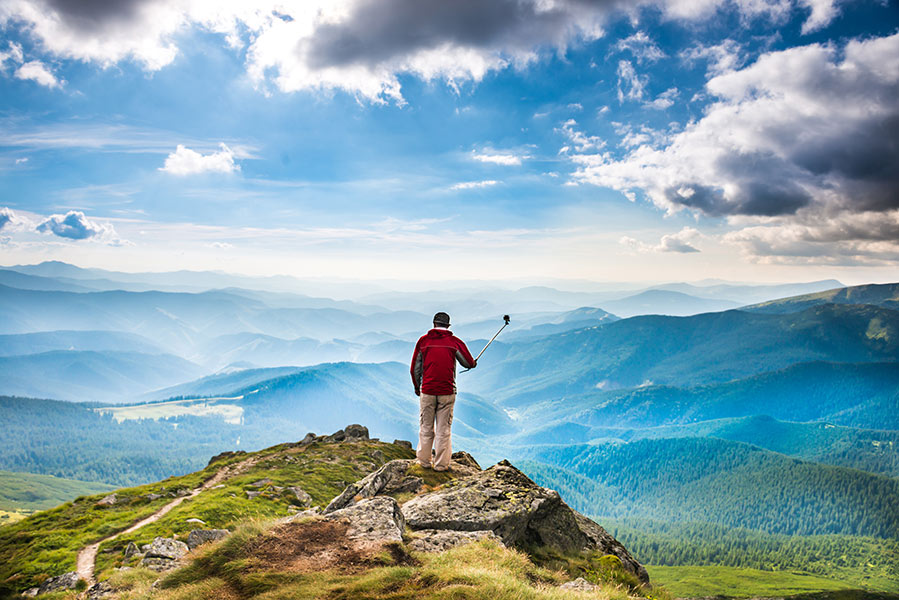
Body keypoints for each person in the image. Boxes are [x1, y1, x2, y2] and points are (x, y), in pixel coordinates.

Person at [410, 311, 477, 471]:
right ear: (448, 326)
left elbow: (415, 369)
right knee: (443, 429)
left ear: (434, 324)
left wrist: (417, 387)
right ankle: (441, 465)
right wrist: (473, 363)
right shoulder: (454, 342)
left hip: (427, 390)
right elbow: (468, 363)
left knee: (426, 427)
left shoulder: (423, 341)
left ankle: (424, 462)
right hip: (447, 391)